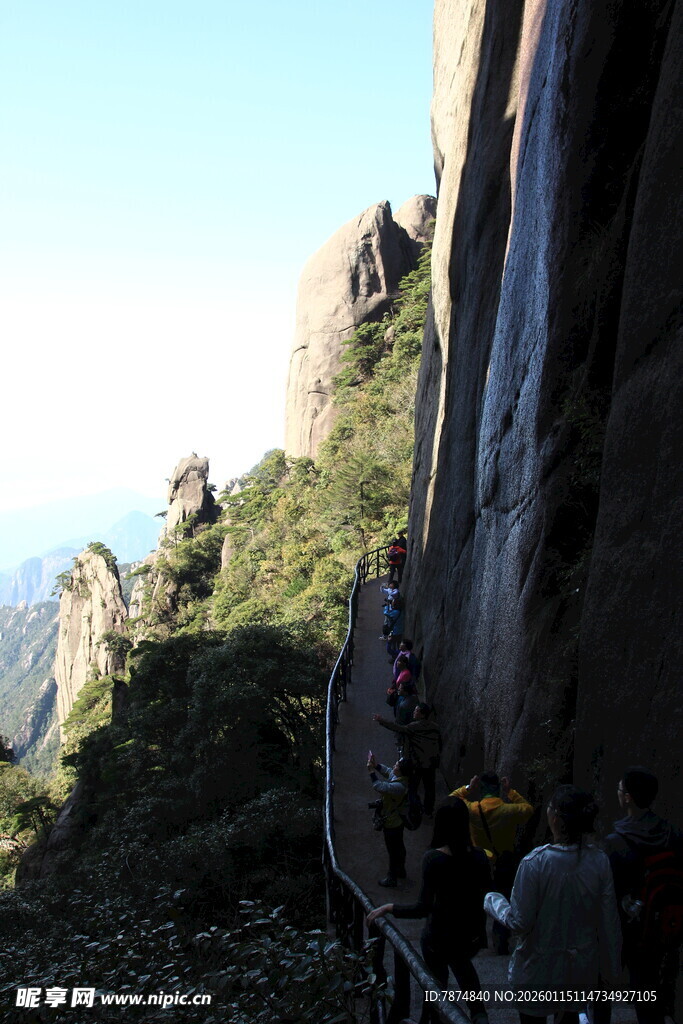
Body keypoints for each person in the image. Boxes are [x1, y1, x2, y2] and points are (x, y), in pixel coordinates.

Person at [484, 784, 621, 1023]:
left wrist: (494, 902)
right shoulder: (599, 862)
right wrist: (610, 973)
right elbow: (609, 922)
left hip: (537, 971)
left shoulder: (535, 863)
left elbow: (519, 921)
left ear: (555, 818)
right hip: (578, 971)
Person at [367, 798, 491, 1024]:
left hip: (438, 940)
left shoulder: (434, 859)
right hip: (468, 938)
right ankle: (479, 1014)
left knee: (435, 986)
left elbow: (422, 908)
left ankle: (431, 1016)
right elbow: (483, 900)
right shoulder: (480, 857)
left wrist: (389, 907)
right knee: (466, 974)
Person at [603, 766, 683, 1024]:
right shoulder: (671, 832)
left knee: (641, 985)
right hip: (669, 922)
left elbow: (611, 891)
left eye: (619, 789)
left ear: (627, 797)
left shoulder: (617, 841)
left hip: (635, 927)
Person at [451, 770, 533, 952]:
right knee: (503, 899)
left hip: (479, 861)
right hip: (504, 861)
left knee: (476, 899)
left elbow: (451, 800)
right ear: (498, 789)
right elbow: (528, 809)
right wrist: (510, 791)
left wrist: (468, 788)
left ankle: (475, 939)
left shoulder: (472, 809)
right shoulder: (508, 810)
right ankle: (501, 941)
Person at [373, 703, 441, 816]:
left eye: (417, 711)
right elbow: (440, 744)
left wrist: (381, 720)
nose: (414, 712)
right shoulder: (435, 727)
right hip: (431, 763)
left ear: (422, 715)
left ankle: (414, 809)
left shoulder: (414, 727)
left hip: (417, 763)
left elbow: (397, 727)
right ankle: (428, 810)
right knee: (429, 787)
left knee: (412, 787)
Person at [367, 752, 412, 888]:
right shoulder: (401, 778)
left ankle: (392, 877)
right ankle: (401, 870)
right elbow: (388, 771)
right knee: (399, 846)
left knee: (393, 850)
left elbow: (379, 787)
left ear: (402, 771)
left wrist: (371, 772)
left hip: (392, 822)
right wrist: (376, 765)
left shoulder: (400, 787)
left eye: (397, 765)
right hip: (397, 820)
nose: (394, 765)